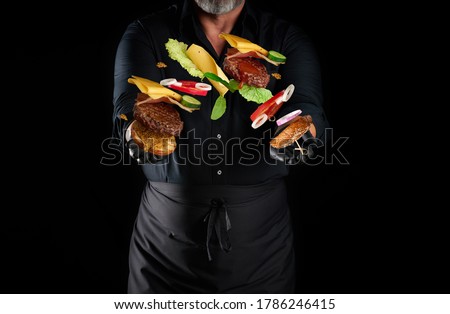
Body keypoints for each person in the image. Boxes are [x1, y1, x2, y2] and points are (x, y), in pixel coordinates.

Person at [112, 0, 329, 293]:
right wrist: (133, 134)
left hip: (263, 250)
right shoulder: (146, 32)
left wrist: (303, 134)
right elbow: (128, 104)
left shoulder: (286, 37)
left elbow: (307, 107)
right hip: (162, 250)